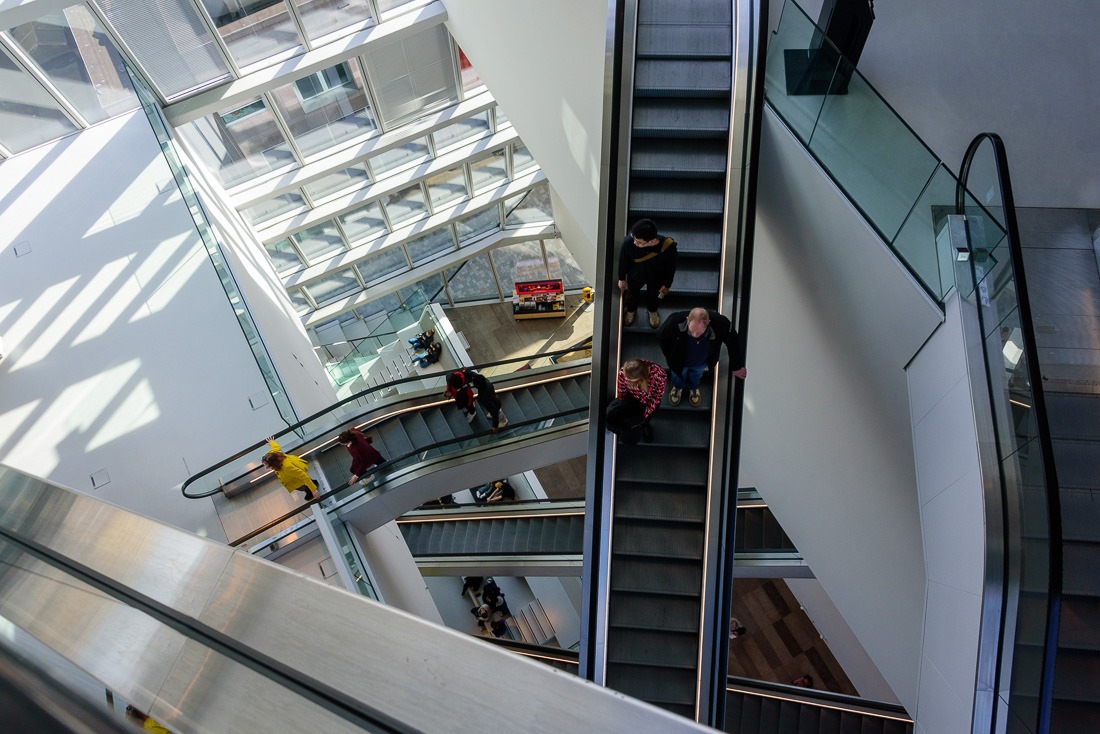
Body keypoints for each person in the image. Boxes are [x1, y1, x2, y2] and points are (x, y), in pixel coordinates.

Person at [659, 307, 747, 408]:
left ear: (708, 322)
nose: (695, 335)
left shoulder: (721, 323)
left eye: (699, 332)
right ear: (688, 319)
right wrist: (670, 357)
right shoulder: (673, 322)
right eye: (692, 331)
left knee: (696, 376)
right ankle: (678, 387)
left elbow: (734, 342)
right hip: (679, 362)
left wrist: (737, 366)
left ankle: (693, 388)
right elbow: (662, 339)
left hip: (701, 363)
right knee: (678, 376)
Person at [617, 218, 677, 329]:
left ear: (652, 241)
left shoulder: (668, 247)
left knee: (654, 296)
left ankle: (652, 311)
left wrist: (667, 284)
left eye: (639, 242)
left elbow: (671, 267)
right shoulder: (628, 242)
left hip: (656, 277)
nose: (635, 243)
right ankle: (630, 310)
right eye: (634, 238)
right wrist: (621, 278)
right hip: (635, 275)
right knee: (631, 294)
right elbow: (623, 261)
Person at [615, 358, 667, 441]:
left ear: (640, 377)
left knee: (646, 418)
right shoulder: (623, 372)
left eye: (629, 379)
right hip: (633, 399)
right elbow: (621, 391)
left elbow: (657, 396)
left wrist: (644, 415)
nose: (626, 379)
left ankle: (645, 425)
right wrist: (623, 405)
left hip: (649, 402)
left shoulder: (659, 374)